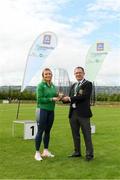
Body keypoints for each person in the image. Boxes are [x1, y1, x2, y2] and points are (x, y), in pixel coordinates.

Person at [62, 66, 94, 161]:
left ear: (84, 73)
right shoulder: (73, 85)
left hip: (83, 114)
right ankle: (77, 152)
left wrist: (70, 98)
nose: (78, 74)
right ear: (74, 74)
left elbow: (84, 97)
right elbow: (70, 98)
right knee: (75, 134)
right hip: (73, 113)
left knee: (86, 134)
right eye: (76, 73)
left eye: (80, 72)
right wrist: (63, 99)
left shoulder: (88, 84)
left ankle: (89, 155)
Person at [34, 68, 60, 161]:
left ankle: (45, 151)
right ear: (43, 76)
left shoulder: (52, 86)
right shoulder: (40, 86)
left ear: (51, 75)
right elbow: (39, 99)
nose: (48, 75)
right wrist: (51, 99)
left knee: (48, 131)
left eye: (49, 74)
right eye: (46, 74)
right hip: (41, 111)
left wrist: (59, 96)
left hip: (51, 111)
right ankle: (37, 153)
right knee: (40, 131)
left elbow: (54, 95)